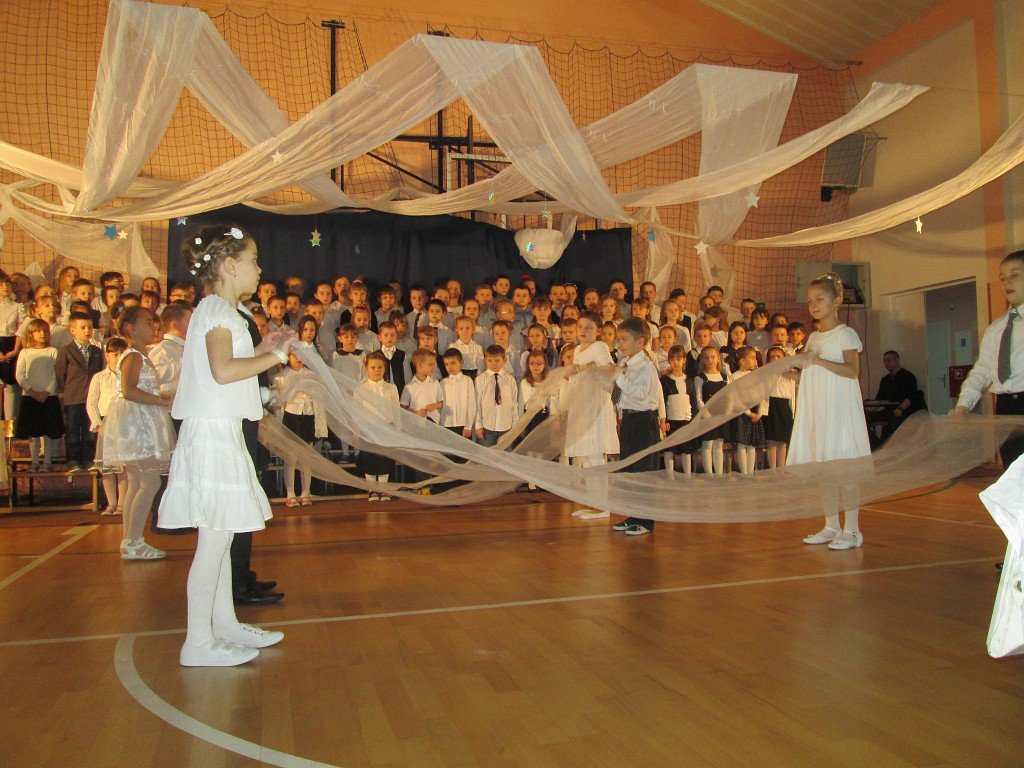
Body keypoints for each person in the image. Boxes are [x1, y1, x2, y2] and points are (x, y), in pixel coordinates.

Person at [158, 225, 289, 667]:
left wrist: (263, 348)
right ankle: (198, 641)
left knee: (223, 535)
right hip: (212, 437)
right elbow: (223, 370)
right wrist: (276, 356)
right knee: (213, 543)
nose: (259, 269)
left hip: (221, 431)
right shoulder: (218, 310)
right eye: (253, 260)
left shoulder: (221, 310)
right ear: (231, 266)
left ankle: (225, 624)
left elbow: (228, 368)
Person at [789, 272, 871, 550]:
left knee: (844, 470)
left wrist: (818, 361)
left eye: (819, 299)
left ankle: (853, 530)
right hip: (819, 412)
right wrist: (791, 375)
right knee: (824, 470)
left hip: (840, 412)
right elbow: (813, 374)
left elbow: (852, 371)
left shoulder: (846, 334)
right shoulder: (813, 337)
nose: (813, 305)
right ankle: (831, 525)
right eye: (810, 300)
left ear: (836, 301)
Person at [101, 306, 176, 559]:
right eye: (147, 322)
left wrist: (161, 396)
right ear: (131, 328)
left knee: (136, 483)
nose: (153, 325)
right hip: (137, 424)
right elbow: (128, 390)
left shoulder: (140, 355)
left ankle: (130, 540)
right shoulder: (133, 356)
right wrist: (160, 400)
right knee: (149, 481)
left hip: (141, 420)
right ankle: (134, 541)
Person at [608, 317, 661, 535]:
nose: (619, 344)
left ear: (641, 341)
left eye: (624, 339)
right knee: (629, 470)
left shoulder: (646, 366)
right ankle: (633, 514)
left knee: (642, 470)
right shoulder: (625, 364)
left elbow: (640, 393)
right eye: (618, 339)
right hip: (629, 419)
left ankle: (646, 521)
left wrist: (619, 378)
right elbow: (620, 394)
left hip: (644, 421)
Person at [564, 313, 619, 516]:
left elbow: (608, 371)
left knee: (595, 455)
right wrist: (571, 374)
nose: (584, 331)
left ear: (598, 330)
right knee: (586, 455)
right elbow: (579, 379)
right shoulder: (578, 349)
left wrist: (583, 368)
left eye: (589, 327)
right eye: (581, 327)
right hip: (583, 404)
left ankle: (604, 506)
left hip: (596, 406)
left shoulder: (600, 347)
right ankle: (595, 501)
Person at [54, 311, 104, 472]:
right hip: (73, 397)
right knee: (73, 429)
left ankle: (89, 458)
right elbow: (60, 374)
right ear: (72, 330)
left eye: (90, 327)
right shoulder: (66, 351)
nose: (87, 331)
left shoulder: (97, 351)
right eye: (83, 327)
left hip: (92, 398)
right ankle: (73, 459)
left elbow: (100, 373)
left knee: (90, 429)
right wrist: (65, 391)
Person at [273, 350, 324, 507]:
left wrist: (319, 424)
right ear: (288, 357)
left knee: (306, 457)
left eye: (302, 355)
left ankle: (306, 492)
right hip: (291, 416)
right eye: (295, 355)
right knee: (291, 457)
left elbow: (319, 400)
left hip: (308, 416)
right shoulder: (281, 377)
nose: (299, 359)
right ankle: (290, 493)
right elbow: (276, 401)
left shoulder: (311, 375)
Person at [86, 337, 129, 515]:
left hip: (124, 424)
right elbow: (91, 403)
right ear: (107, 355)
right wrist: (98, 424)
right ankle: (111, 503)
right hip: (105, 424)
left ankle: (122, 504)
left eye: (121, 354)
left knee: (122, 466)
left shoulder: (128, 376)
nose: (118, 357)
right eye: (115, 354)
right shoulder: (99, 378)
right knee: (107, 467)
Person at [15, 318, 63, 471]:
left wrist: (47, 391)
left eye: (45, 331)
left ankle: (47, 461)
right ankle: (34, 461)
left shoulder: (53, 351)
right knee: (33, 431)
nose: (42, 334)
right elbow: (20, 375)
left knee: (48, 430)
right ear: (31, 334)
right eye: (38, 331)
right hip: (30, 397)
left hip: (49, 397)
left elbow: (56, 373)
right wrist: (32, 391)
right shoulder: (25, 352)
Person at [356, 351, 400, 501]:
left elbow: (396, 410)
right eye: (373, 367)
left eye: (380, 367)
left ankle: (383, 489)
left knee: (384, 458)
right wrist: (358, 431)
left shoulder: (391, 388)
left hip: (386, 429)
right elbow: (357, 411)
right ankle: (372, 490)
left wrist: (397, 430)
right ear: (366, 369)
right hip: (368, 429)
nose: (376, 370)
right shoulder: (360, 388)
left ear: (385, 368)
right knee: (370, 458)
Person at [660, 344, 697, 476]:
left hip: (686, 420)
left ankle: (687, 476)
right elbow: (662, 402)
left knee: (686, 450)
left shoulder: (689, 380)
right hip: (671, 421)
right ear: (669, 361)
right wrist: (664, 420)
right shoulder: (664, 381)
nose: (676, 362)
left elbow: (693, 402)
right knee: (669, 449)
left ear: (684, 360)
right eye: (672, 359)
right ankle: (669, 476)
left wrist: (693, 420)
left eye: (679, 359)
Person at [728, 346, 766, 474]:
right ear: (742, 360)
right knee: (742, 444)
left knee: (752, 445)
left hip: (755, 412)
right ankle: (744, 473)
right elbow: (734, 398)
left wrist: (760, 412)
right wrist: (748, 413)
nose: (755, 361)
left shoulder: (756, 376)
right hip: (742, 413)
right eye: (752, 358)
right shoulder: (734, 377)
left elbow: (762, 395)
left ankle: (750, 473)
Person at [693, 345, 731, 475]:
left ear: (718, 358)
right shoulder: (700, 378)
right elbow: (699, 399)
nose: (710, 360)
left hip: (721, 415)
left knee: (719, 444)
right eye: (707, 358)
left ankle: (719, 474)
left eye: (713, 357)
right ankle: (709, 474)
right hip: (707, 416)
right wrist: (706, 415)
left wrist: (727, 413)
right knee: (707, 444)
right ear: (702, 360)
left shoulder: (725, 377)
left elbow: (729, 397)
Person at [874, 350, 924, 443]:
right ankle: (877, 445)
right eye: (884, 361)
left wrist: (900, 408)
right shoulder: (885, 380)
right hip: (890, 410)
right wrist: (869, 409)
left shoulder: (908, 376)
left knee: (894, 418)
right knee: (869, 417)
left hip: (904, 410)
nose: (886, 363)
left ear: (897, 360)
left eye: (889, 360)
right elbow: (879, 398)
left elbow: (911, 396)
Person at [474, 345, 519, 447]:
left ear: (504, 360)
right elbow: (477, 404)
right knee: (486, 454)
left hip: (506, 427)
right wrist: (478, 425)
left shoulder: (510, 380)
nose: (493, 364)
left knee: (505, 455)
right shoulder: (480, 380)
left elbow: (514, 403)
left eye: (497, 360)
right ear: (485, 360)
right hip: (487, 427)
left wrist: (515, 426)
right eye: (490, 361)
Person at [763, 345, 795, 469]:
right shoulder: (766, 373)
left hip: (785, 406)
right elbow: (764, 394)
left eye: (779, 356)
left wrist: (793, 410)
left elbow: (792, 393)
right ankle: (772, 469)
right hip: (772, 406)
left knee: (782, 441)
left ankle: (781, 468)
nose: (776, 359)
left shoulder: (789, 373)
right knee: (772, 441)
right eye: (772, 357)